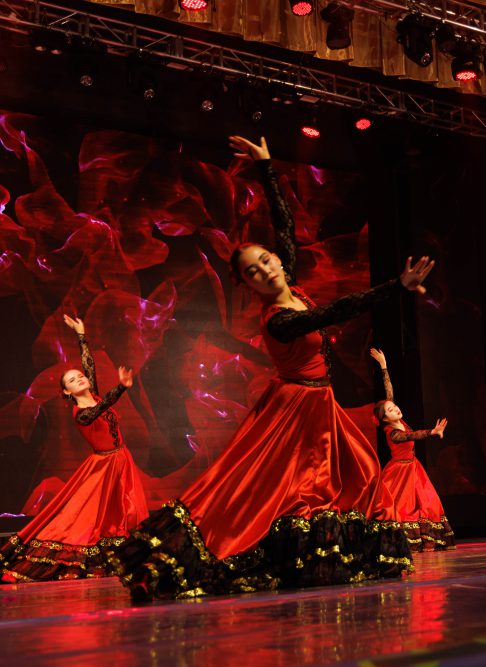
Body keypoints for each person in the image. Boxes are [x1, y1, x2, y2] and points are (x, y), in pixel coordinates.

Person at [111, 136, 433, 600]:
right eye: (252, 271)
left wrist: (265, 166)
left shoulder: (293, 287)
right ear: (246, 283)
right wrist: (395, 287)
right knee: (279, 487)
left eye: (266, 261)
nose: (264, 270)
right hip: (295, 407)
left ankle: (315, 555)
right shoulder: (280, 319)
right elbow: (337, 309)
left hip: (318, 401)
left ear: (279, 261)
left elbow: (284, 224)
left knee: (354, 470)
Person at [1, 315, 147, 582]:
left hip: (122, 460)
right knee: (91, 520)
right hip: (103, 467)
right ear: (67, 392)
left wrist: (81, 335)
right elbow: (101, 408)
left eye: (80, 376)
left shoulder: (95, 394)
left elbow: (88, 364)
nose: (79, 379)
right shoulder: (81, 413)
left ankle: (132, 556)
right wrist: (121, 388)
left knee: (128, 512)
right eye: (72, 380)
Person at [370, 348, 455, 551]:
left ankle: (428, 538)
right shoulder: (393, 432)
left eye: (394, 406)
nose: (395, 409)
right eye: (390, 410)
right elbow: (411, 436)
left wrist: (384, 366)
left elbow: (389, 392)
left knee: (429, 501)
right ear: (385, 419)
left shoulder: (397, 419)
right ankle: (404, 542)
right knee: (402, 508)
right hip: (399, 473)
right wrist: (432, 431)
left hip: (414, 468)